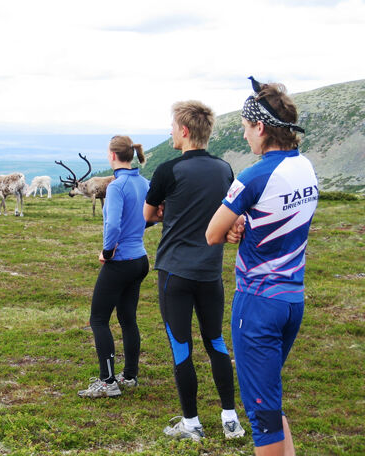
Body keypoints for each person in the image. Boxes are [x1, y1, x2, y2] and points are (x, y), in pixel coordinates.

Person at [206, 77, 317, 455]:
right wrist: (246, 221)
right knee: (269, 399)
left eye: (245, 127)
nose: (244, 135)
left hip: (257, 303)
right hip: (292, 299)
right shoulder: (305, 167)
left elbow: (212, 233)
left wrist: (236, 221)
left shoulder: (254, 175)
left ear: (262, 127)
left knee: (262, 415)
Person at [144, 101, 244, 441]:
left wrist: (166, 212)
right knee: (216, 341)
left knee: (181, 346)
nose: (170, 132)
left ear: (184, 131)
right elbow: (229, 213)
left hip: (175, 272)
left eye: (173, 127)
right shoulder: (224, 169)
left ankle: (192, 423)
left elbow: (148, 216)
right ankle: (231, 420)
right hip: (210, 272)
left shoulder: (167, 171)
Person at [77, 135, 151, 398]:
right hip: (140, 259)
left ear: (112, 156)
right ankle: (129, 376)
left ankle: (108, 382)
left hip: (120, 262)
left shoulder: (117, 187)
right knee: (128, 319)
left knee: (98, 319)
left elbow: (113, 224)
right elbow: (154, 215)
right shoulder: (144, 183)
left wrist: (107, 252)